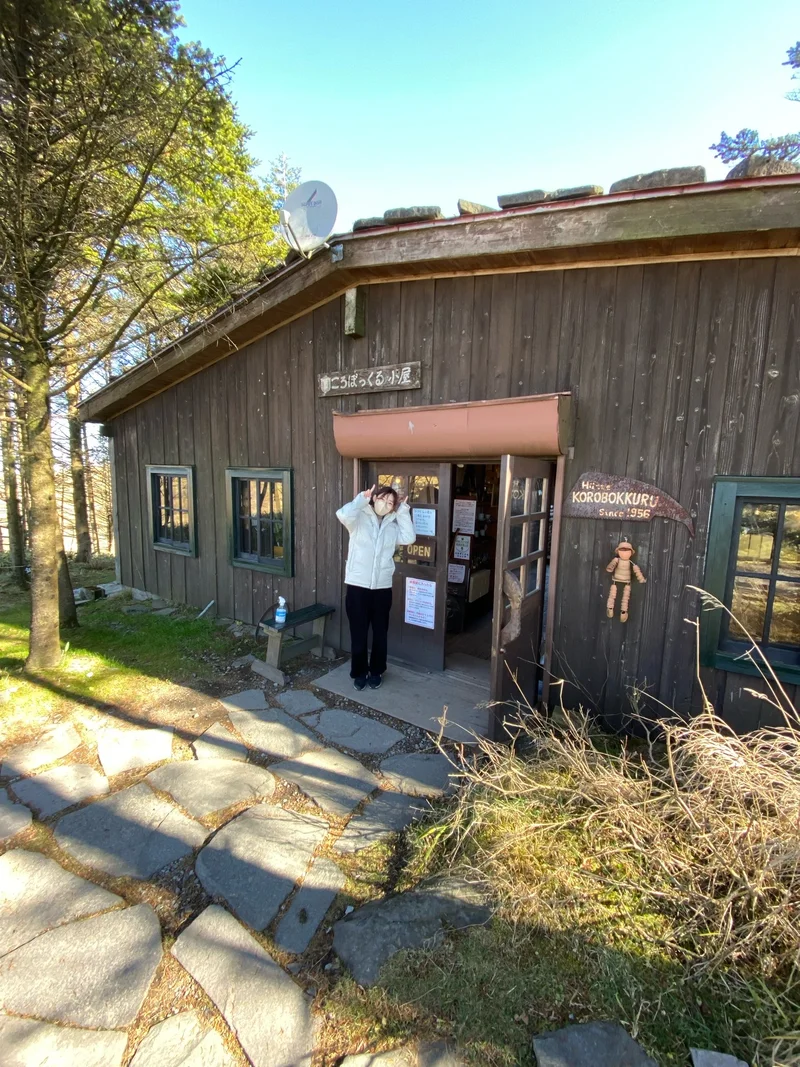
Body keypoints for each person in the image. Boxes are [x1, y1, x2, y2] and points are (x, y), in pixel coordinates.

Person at [336, 483, 416, 691]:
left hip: (382, 588)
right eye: (383, 499)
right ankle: (359, 672)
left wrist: (403, 512)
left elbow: (409, 538)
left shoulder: (392, 524)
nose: (386, 504)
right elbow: (342, 515)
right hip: (357, 586)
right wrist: (360, 499)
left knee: (380, 633)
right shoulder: (359, 517)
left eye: (391, 503)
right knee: (359, 633)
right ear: (374, 497)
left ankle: (377, 671)